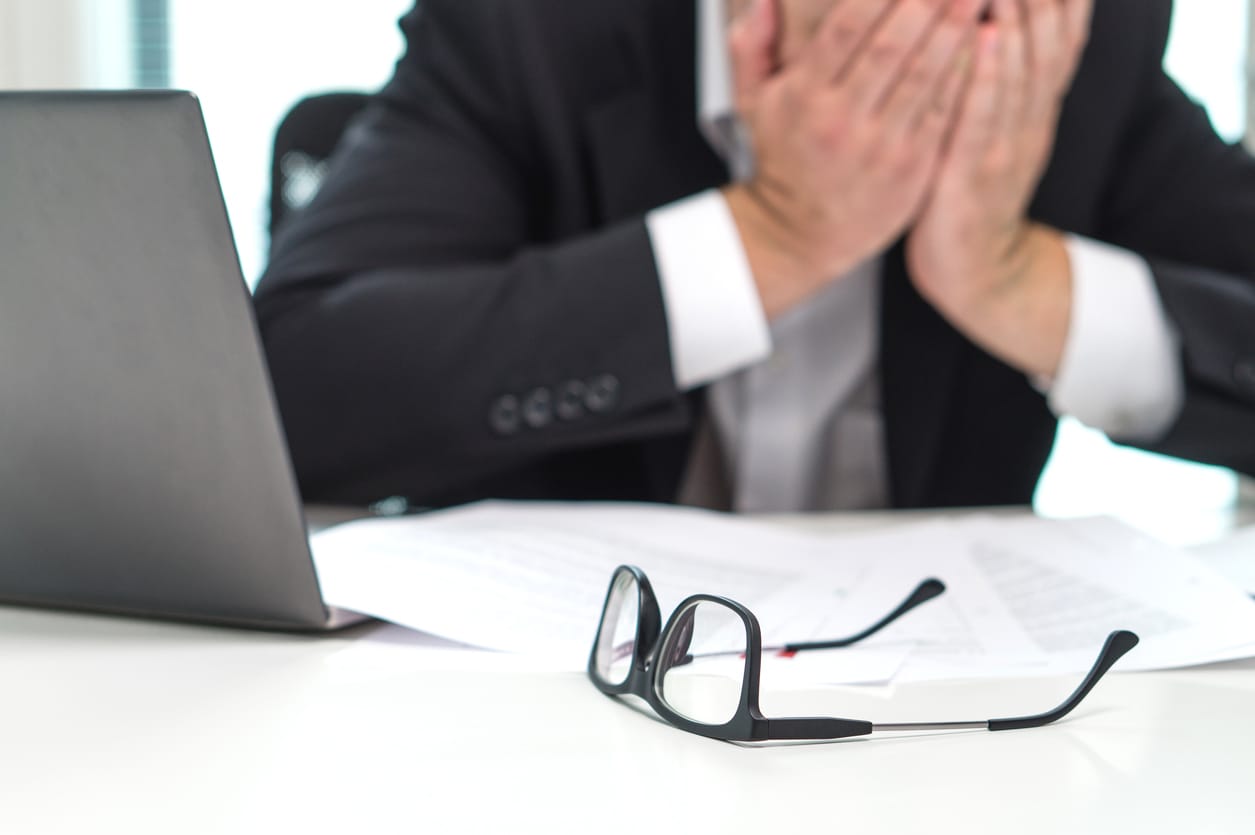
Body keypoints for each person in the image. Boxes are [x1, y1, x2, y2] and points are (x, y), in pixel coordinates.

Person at [255, 0, 1255, 511]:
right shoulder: (538, 29)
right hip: (551, 724)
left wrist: (1016, 280)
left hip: (945, 738)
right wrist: (768, 236)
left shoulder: (1060, 48)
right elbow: (289, 392)